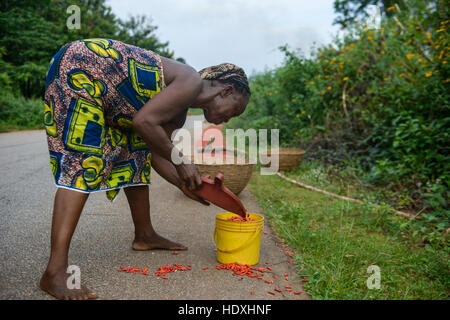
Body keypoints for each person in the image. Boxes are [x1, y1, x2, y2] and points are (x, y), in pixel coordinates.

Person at [40, 38, 250, 300]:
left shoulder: (179, 111)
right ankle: (55, 272)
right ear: (226, 90)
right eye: (234, 111)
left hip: (108, 98)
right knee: (84, 164)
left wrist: (185, 184)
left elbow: (154, 150)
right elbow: (144, 121)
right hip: (82, 67)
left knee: (137, 151)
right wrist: (183, 162)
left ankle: (145, 235)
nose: (227, 119)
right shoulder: (190, 80)